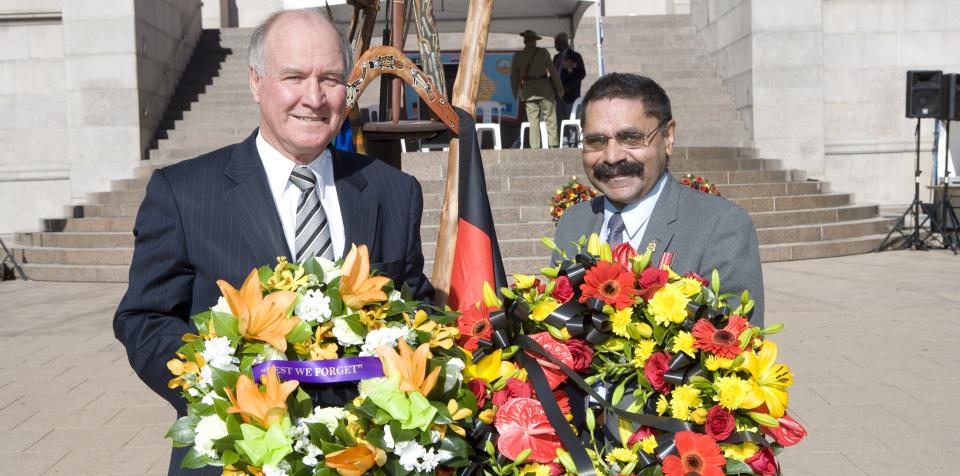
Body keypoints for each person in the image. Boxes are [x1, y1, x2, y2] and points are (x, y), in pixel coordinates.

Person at [113, 9, 433, 475]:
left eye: (330, 78)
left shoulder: (393, 192)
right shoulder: (183, 193)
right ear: (256, 82)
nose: (314, 97)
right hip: (235, 457)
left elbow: (412, 302)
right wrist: (223, 389)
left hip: (368, 458)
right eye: (293, 76)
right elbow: (145, 319)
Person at [553, 73, 764, 325]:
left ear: (668, 137)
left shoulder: (721, 226)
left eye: (631, 138)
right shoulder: (572, 224)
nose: (611, 156)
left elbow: (733, 344)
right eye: (596, 141)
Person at [511, 29, 563, 148]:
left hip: (528, 91)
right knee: (550, 118)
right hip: (545, 89)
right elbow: (553, 72)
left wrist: (515, 92)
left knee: (533, 121)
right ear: (535, 41)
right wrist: (560, 89)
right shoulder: (543, 53)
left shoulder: (518, 56)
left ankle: (535, 147)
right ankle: (553, 145)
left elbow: (514, 76)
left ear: (525, 41)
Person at [553, 32, 586, 146]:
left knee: (571, 119)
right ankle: (564, 141)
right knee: (560, 119)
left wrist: (568, 87)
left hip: (570, 94)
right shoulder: (556, 57)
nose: (555, 45)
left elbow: (581, 73)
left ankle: (573, 142)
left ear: (563, 43)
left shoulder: (575, 56)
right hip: (558, 95)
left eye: (556, 43)